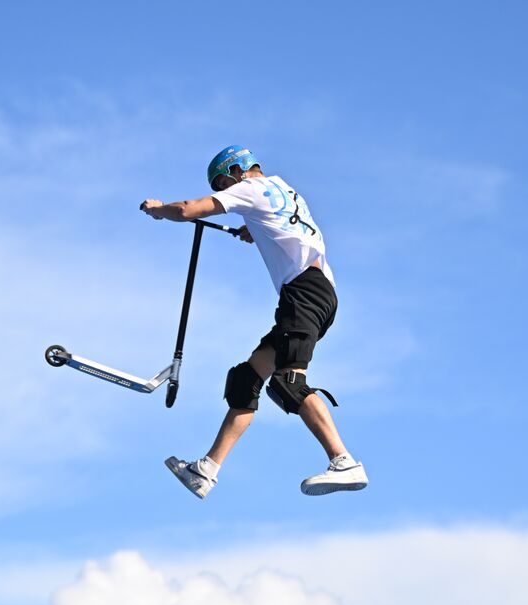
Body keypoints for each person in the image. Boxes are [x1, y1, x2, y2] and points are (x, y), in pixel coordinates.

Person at [139, 145, 367, 499]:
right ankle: (206, 470)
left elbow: (187, 210)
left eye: (222, 185)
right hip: (316, 293)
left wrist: (159, 210)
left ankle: (343, 460)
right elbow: (282, 223)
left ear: (237, 171)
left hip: (304, 292)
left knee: (288, 383)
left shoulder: (250, 188)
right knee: (247, 379)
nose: (222, 193)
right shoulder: (283, 189)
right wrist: (253, 228)